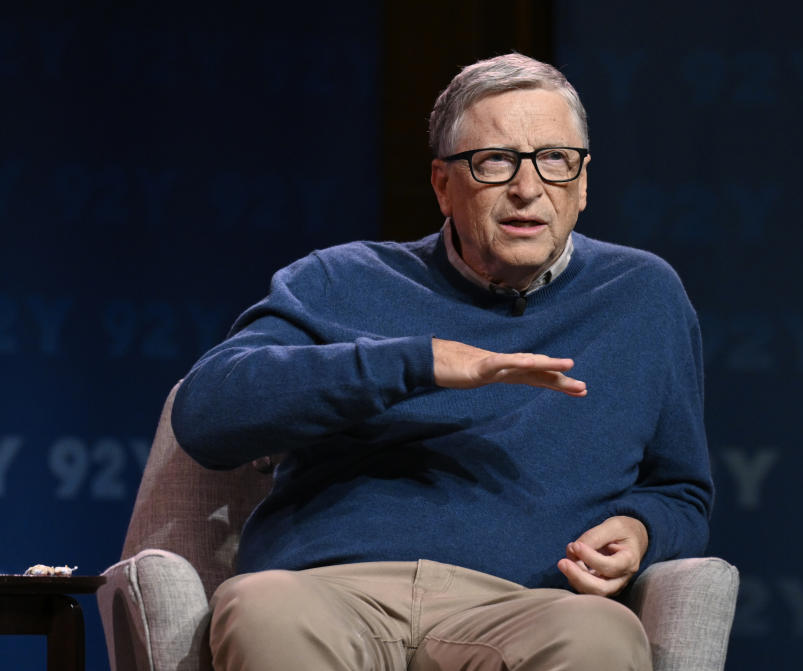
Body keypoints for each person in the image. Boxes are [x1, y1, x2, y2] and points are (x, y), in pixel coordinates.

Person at [172, 53, 713, 671]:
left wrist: (642, 530)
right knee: (261, 611)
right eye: (495, 161)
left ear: (584, 182)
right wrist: (416, 363)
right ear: (441, 185)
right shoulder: (339, 279)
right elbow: (207, 414)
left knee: (602, 638)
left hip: (527, 604)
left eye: (555, 160)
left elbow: (681, 491)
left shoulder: (642, 296)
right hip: (330, 594)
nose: (528, 188)